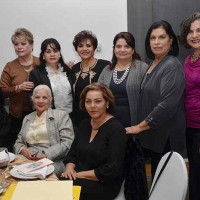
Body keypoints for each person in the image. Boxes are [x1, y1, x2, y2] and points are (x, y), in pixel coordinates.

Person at [125, 20, 186, 178]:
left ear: (171, 40)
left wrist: (139, 127)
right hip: (153, 137)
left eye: (162, 37)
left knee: (165, 188)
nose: (157, 42)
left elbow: (166, 106)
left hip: (166, 139)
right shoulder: (153, 63)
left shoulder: (172, 65)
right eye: (153, 38)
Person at [61, 83, 126, 200]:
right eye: (88, 101)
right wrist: (69, 169)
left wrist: (78, 175)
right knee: (54, 186)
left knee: (59, 190)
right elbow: (72, 155)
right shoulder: (84, 124)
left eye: (98, 101)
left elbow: (111, 170)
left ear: (107, 103)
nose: (92, 106)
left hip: (104, 184)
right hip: (78, 177)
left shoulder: (116, 129)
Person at [14, 85, 74, 176]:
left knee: (34, 175)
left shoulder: (61, 115)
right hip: (27, 158)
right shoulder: (28, 118)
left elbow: (67, 142)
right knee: (10, 169)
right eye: (37, 97)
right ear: (32, 99)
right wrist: (22, 150)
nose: (40, 101)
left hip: (52, 160)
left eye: (44, 97)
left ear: (50, 100)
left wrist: (46, 154)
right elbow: (18, 142)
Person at [0, 28, 40, 152]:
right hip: (16, 116)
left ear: (32, 45)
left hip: (39, 115)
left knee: (36, 148)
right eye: (16, 44)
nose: (19, 47)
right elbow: (2, 91)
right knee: (17, 149)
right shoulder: (10, 66)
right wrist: (18, 88)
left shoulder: (41, 63)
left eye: (23, 43)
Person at [98, 32, 148, 127]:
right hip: (109, 123)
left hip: (135, 123)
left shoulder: (142, 68)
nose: (122, 50)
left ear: (132, 50)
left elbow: (149, 97)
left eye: (127, 46)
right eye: (118, 46)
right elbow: (98, 93)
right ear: (114, 49)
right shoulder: (107, 70)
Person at [179, 12, 200, 200]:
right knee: (194, 170)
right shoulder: (189, 59)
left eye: (199, 30)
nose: (195, 35)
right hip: (190, 125)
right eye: (191, 32)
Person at [71, 30, 110, 128]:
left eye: (88, 46)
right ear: (76, 49)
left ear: (94, 48)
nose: (84, 49)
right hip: (79, 118)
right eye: (80, 46)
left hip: (100, 116)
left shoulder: (105, 65)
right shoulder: (74, 68)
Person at [29, 38, 72, 114]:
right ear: (43, 55)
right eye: (48, 52)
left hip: (71, 116)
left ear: (59, 54)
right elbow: (32, 100)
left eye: (55, 51)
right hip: (49, 116)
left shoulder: (68, 71)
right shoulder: (36, 74)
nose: (52, 54)